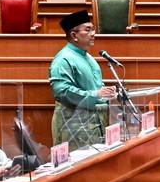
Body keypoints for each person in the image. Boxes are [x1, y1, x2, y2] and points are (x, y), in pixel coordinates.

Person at [50, 10, 116, 149]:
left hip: (94, 123)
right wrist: (96, 94)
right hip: (73, 126)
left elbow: (96, 87)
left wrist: (107, 92)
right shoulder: (63, 59)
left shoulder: (89, 58)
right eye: (88, 30)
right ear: (74, 35)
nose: (93, 34)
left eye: (93, 29)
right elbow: (63, 92)